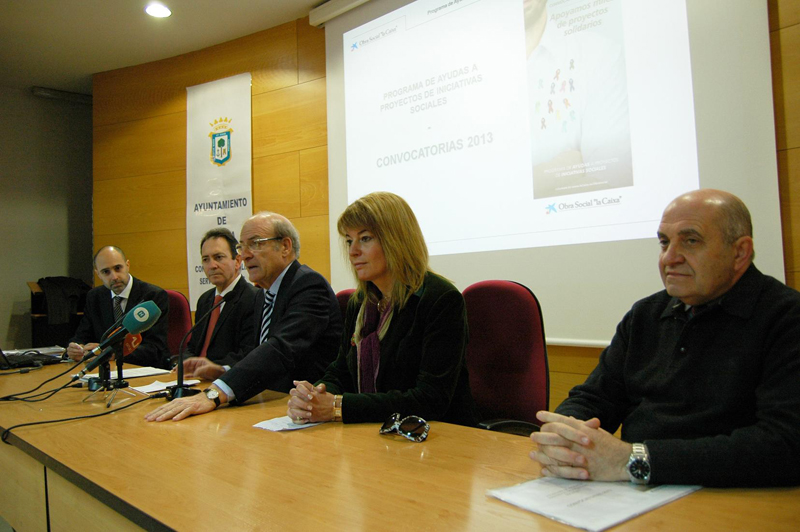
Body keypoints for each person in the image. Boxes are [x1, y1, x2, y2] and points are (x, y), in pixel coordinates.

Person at [530, 189, 800, 488]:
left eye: (691, 240)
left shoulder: (787, 317)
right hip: (632, 492)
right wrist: (565, 435)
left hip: (732, 497)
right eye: (664, 242)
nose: (669, 257)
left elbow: (785, 443)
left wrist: (633, 460)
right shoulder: (645, 314)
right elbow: (594, 397)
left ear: (739, 252)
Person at [287, 192, 477, 426]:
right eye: (349, 240)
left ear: (396, 240)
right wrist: (313, 397)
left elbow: (431, 399)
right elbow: (341, 371)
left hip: (436, 438)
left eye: (365, 238)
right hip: (374, 433)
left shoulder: (440, 299)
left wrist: (338, 406)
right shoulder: (360, 303)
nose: (353, 251)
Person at [145, 212, 342, 421]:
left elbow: (280, 350)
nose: (245, 255)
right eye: (242, 246)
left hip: (303, 409)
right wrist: (223, 371)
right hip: (266, 401)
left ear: (285, 246)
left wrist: (214, 394)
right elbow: (255, 352)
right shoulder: (264, 295)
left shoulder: (308, 285)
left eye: (255, 243)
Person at [68, 246, 170, 369]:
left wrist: (114, 353)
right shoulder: (94, 297)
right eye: (106, 272)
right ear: (98, 274)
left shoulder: (153, 296)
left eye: (118, 268)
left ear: (127, 265)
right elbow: (82, 336)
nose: (114, 277)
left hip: (142, 370)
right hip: (105, 370)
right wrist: (75, 348)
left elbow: (155, 349)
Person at [181, 228, 258, 371]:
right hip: (195, 378)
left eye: (219, 257)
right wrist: (185, 363)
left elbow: (248, 353)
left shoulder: (253, 298)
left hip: (226, 379)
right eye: (206, 259)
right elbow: (193, 346)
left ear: (237, 261)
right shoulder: (205, 300)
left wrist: (217, 368)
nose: (212, 265)